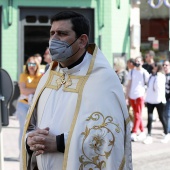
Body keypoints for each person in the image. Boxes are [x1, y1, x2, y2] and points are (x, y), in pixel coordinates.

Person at [21, 11, 132, 170]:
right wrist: (30, 140)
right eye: (52, 33)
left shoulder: (102, 80)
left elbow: (109, 138)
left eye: (62, 33)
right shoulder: (48, 77)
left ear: (82, 40)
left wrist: (59, 143)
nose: (54, 39)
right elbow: (32, 124)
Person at [16, 56, 42, 152]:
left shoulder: (41, 76)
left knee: (35, 129)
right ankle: (22, 152)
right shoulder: (23, 76)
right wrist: (35, 90)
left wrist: (29, 90)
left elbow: (41, 91)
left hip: (35, 106)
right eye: (29, 64)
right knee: (23, 129)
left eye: (33, 64)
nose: (31, 66)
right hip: (23, 105)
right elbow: (23, 91)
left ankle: (32, 150)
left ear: (37, 65)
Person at [126, 56, 149, 141]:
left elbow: (148, 85)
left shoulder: (144, 72)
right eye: (136, 61)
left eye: (139, 61)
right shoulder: (132, 72)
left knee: (137, 114)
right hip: (132, 95)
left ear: (142, 62)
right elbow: (128, 85)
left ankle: (134, 132)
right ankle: (142, 131)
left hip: (140, 95)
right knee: (136, 114)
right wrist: (127, 97)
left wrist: (146, 95)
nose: (137, 62)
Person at [144, 63, 168, 144]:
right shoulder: (151, 76)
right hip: (151, 100)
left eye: (154, 66)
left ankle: (166, 133)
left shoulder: (161, 76)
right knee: (149, 118)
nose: (152, 67)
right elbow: (149, 88)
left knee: (161, 117)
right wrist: (146, 99)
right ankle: (149, 135)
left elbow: (159, 87)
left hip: (159, 100)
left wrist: (157, 75)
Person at [163, 60, 170, 142]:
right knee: (165, 115)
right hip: (163, 98)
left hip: (168, 98)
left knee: (168, 115)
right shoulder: (162, 76)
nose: (165, 66)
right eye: (163, 65)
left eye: (166, 65)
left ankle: (167, 132)